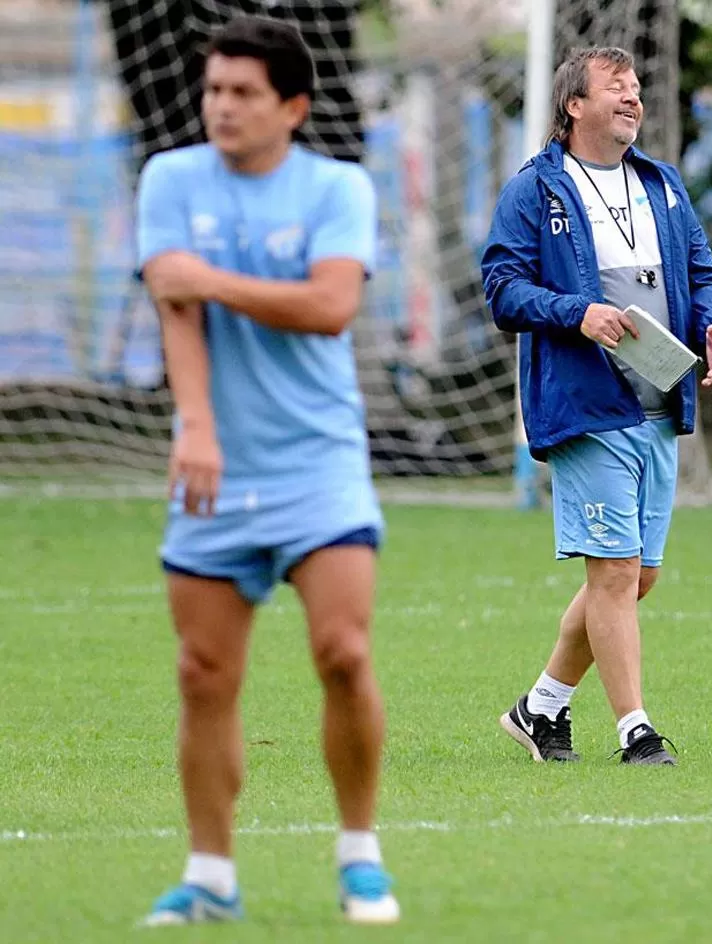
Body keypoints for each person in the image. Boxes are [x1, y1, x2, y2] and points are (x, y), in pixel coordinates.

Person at [133, 16, 397, 926]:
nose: (221, 107)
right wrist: (195, 426)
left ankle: (359, 854)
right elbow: (175, 311)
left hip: (319, 463)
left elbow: (329, 306)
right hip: (214, 465)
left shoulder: (337, 189)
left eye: (243, 93)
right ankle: (210, 875)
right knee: (203, 673)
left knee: (344, 651)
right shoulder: (170, 178)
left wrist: (206, 278)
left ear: (292, 106)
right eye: (213, 90)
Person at [481, 47, 712, 766]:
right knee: (615, 573)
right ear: (574, 105)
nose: (632, 98)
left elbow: (702, 272)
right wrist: (577, 313)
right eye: (614, 88)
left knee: (636, 576)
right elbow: (501, 287)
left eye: (636, 89)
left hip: (661, 401)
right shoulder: (535, 189)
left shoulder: (661, 184)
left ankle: (542, 707)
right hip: (586, 404)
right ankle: (636, 731)